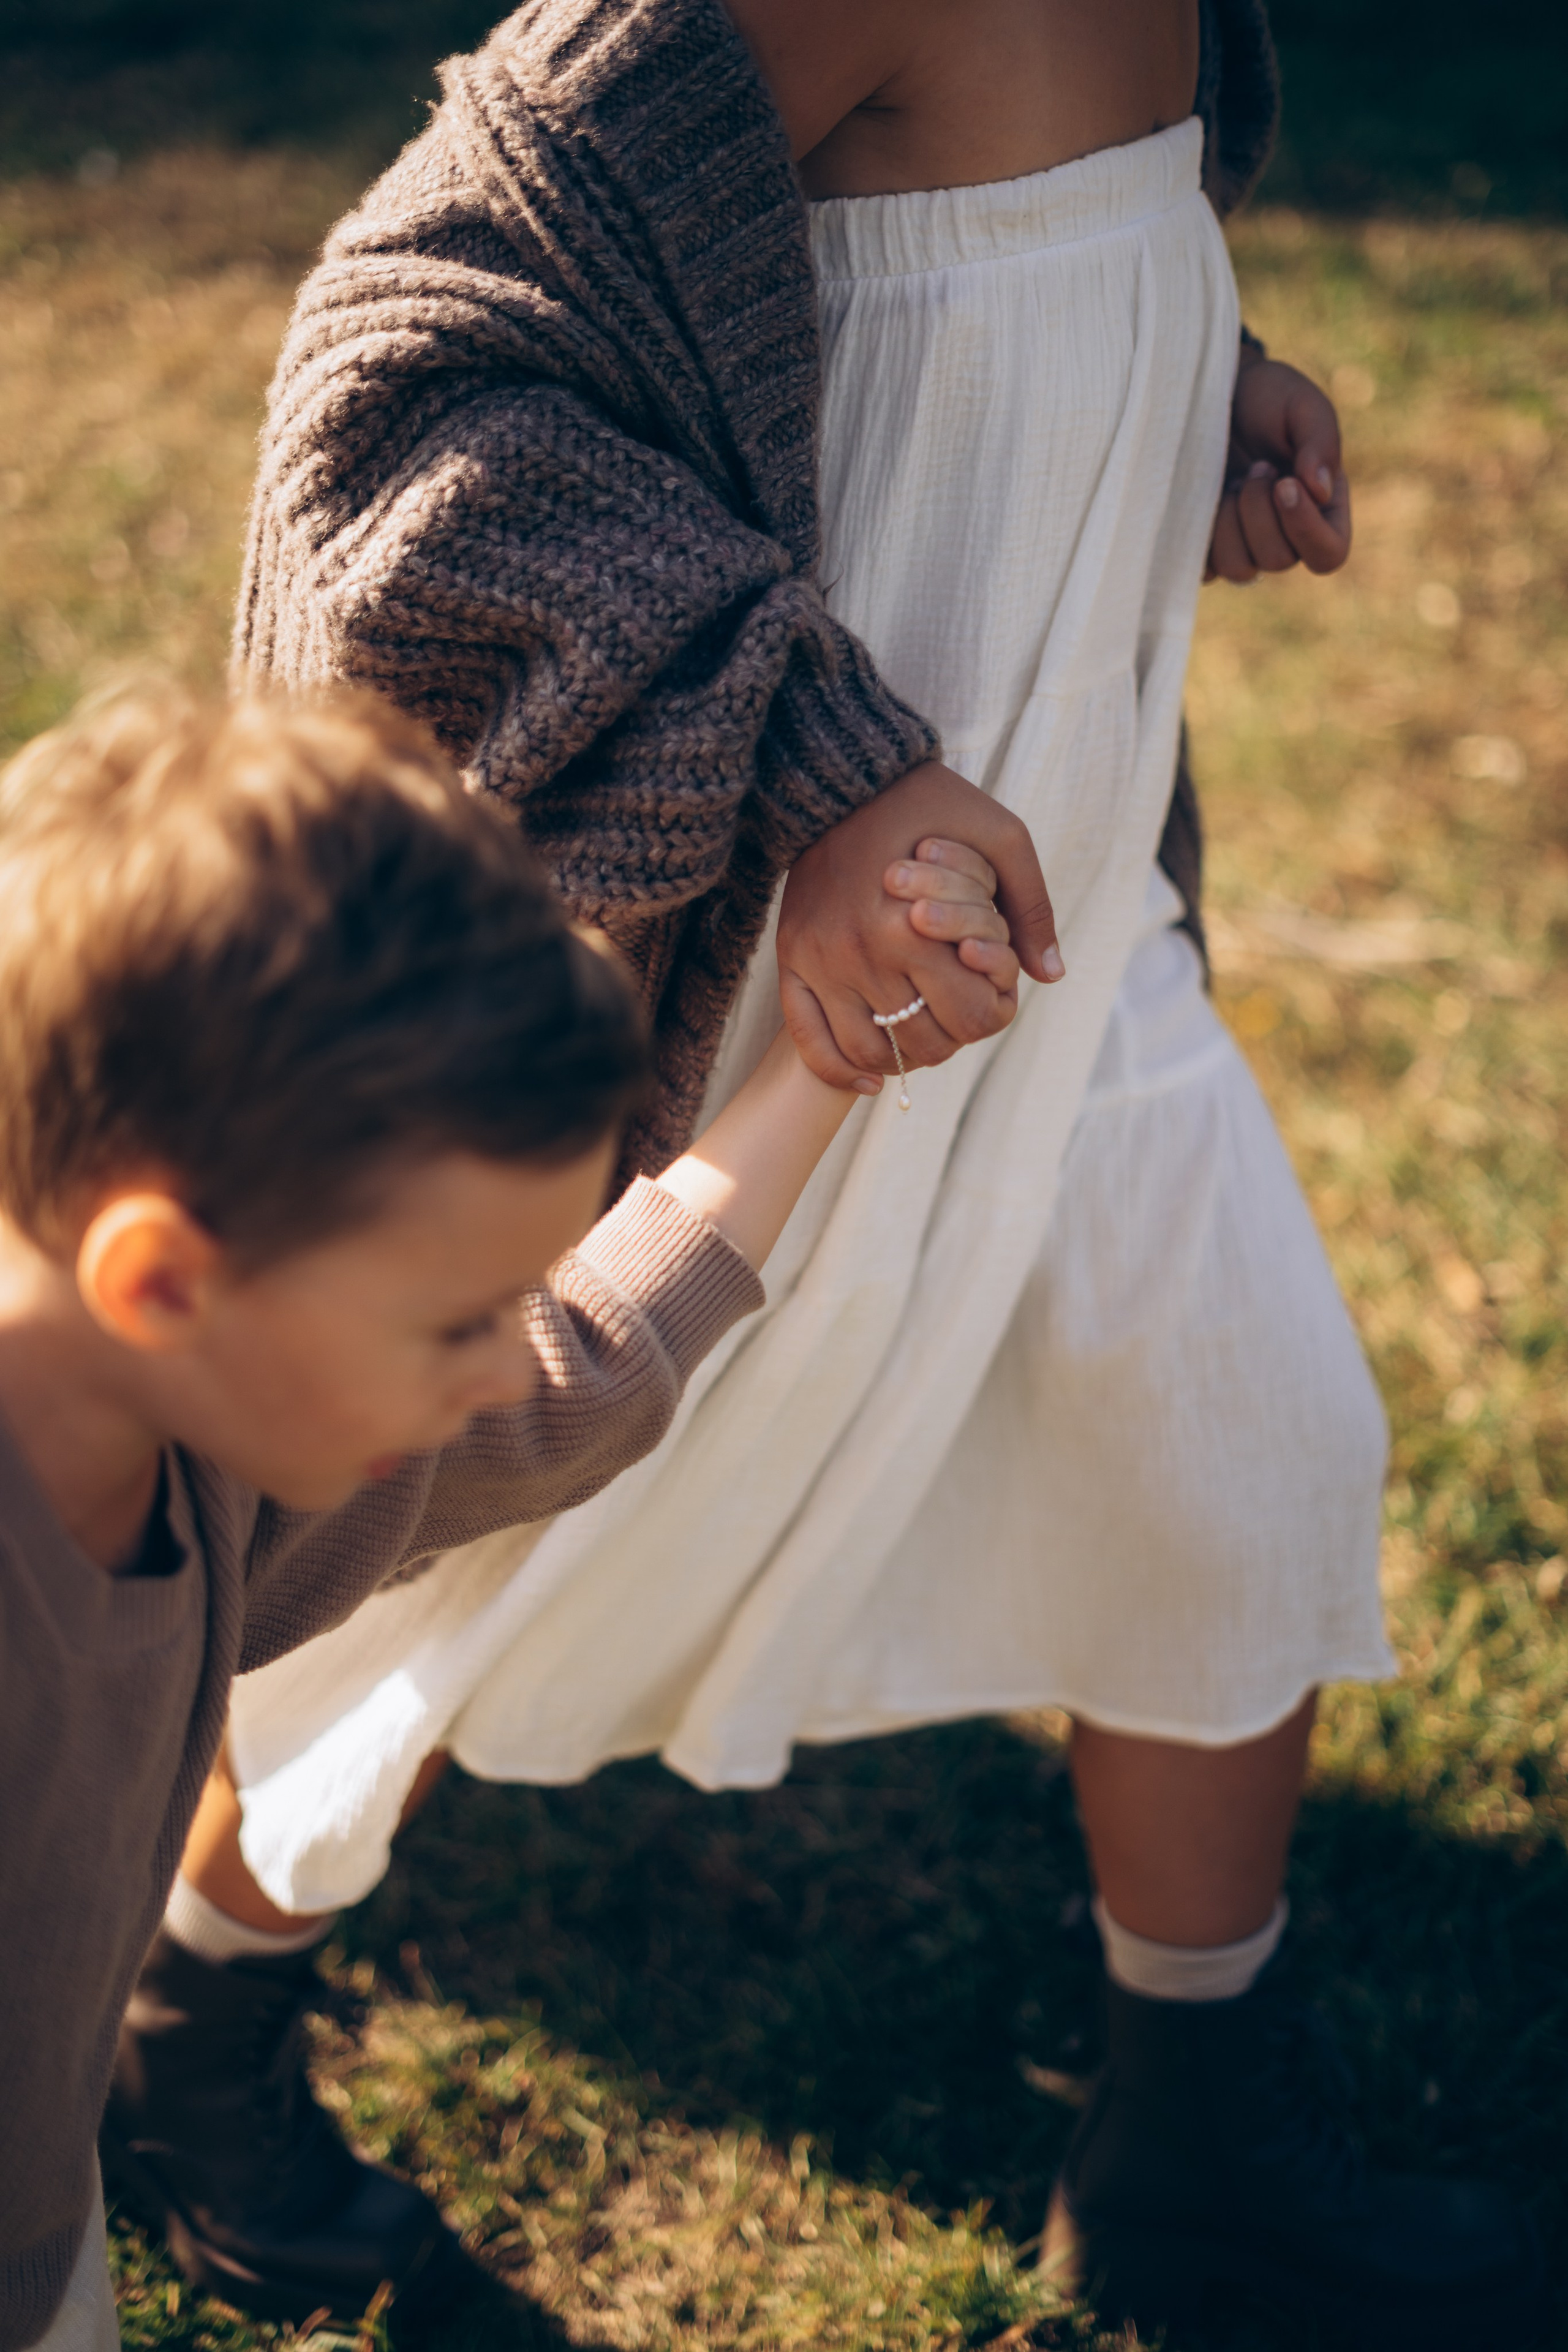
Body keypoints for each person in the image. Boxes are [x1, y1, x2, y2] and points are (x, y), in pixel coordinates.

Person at [129, 0, 1541, 2342]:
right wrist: (808, 756)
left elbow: (991, 298)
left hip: (1072, 939)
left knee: (1237, 1438)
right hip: (792, 950)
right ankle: (184, 2026)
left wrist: (1201, 374)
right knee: (492, 1534)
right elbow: (405, 365)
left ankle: (1196, 2133)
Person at [0, 684, 1010, 2352]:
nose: (490, 1369)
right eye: (449, 1319)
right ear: (166, 1279)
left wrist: (823, 1066)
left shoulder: (193, 1435)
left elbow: (564, 1378)